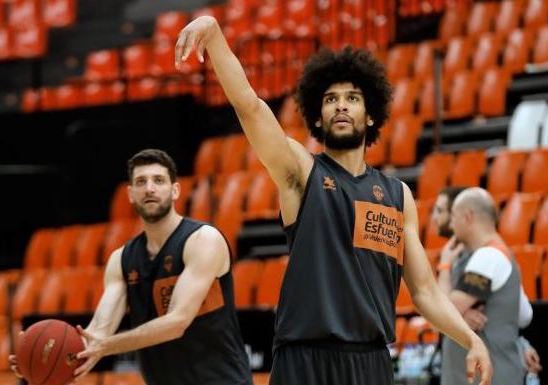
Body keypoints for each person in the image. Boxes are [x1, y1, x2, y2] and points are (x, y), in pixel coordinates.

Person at [175, 16, 492, 385]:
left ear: (370, 115)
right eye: (331, 100)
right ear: (319, 119)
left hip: (371, 361)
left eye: (352, 99)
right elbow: (251, 107)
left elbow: (423, 291)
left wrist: (470, 339)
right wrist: (215, 36)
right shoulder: (301, 172)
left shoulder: (397, 196)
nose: (341, 106)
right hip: (305, 359)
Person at [10, 149, 252, 385]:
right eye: (141, 182)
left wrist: (106, 347)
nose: (149, 188)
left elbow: (177, 322)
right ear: (130, 194)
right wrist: (36, 359)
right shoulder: (122, 260)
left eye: (158, 180)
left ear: (175, 190)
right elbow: (97, 334)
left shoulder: (203, 240)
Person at [433, 186, 542, 377]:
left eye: (453, 217)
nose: (451, 223)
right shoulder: (491, 254)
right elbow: (523, 314)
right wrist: (463, 314)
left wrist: (444, 266)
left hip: (491, 375)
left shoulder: (489, 256)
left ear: (467, 217)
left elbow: (441, 315)